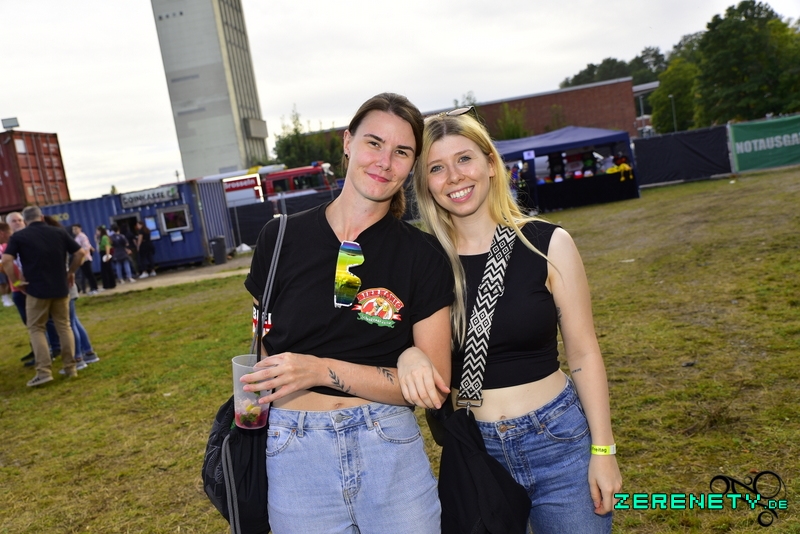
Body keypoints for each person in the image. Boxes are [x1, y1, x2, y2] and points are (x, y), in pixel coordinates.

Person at [400, 107, 622, 533]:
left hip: (559, 442)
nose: (454, 177)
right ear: (425, 183)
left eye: (464, 159)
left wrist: (604, 451)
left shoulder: (547, 243)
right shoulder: (423, 262)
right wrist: (409, 354)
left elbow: (584, 353)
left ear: (490, 163)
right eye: (436, 168)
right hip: (475, 451)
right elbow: (403, 345)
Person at [241, 93, 453, 534]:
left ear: (412, 165)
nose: (384, 162)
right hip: (294, 452)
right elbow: (261, 354)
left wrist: (320, 370)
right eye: (374, 143)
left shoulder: (423, 254)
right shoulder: (279, 238)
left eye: (401, 152)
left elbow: (432, 387)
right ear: (347, 143)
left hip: (387, 445)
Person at [2, 206, 85, 386]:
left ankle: (44, 371)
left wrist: (16, 282)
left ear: (25, 220)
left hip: (36, 290)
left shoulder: (19, 236)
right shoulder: (59, 232)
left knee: (36, 328)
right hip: (61, 287)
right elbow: (80, 253)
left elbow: (6, 260)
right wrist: (70, 272)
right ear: (41, 217)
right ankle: (70, 367)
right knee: (64, 326)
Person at [71, 223, 98, 294]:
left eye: (76, 229)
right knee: (85, 274)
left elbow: (86, 248)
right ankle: (89, 288)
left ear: (80, 229)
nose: (74, 230)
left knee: (89, 274)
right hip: (80, 258)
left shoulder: (82, 236)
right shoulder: (76, 237)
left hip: (85, 258)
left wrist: (83, 258)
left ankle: (94, 288)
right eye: (73, 229)